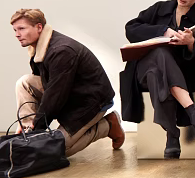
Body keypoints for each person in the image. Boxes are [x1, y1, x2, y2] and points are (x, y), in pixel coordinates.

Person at [120, 0, 195, 159]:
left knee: (158, 74)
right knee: (159, 53)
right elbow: (130, 28)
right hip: (140, 72)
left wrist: (189, 43)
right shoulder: (160, 8)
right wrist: (163, 30)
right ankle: (191, 110)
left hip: (172, 74)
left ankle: (172, 135)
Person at [11, 9, 124, 156]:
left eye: (21, 29)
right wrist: (29, 126)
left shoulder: (61, 51)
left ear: (39, 27)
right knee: (24, 82)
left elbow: (55, 95)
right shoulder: (39, 48)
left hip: (90, 103)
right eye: (15, 30)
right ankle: (27, 135)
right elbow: (47, 85)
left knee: (58, 149)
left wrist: (38, 128)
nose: (17, 34)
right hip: (71, 95)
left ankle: (108, 125)